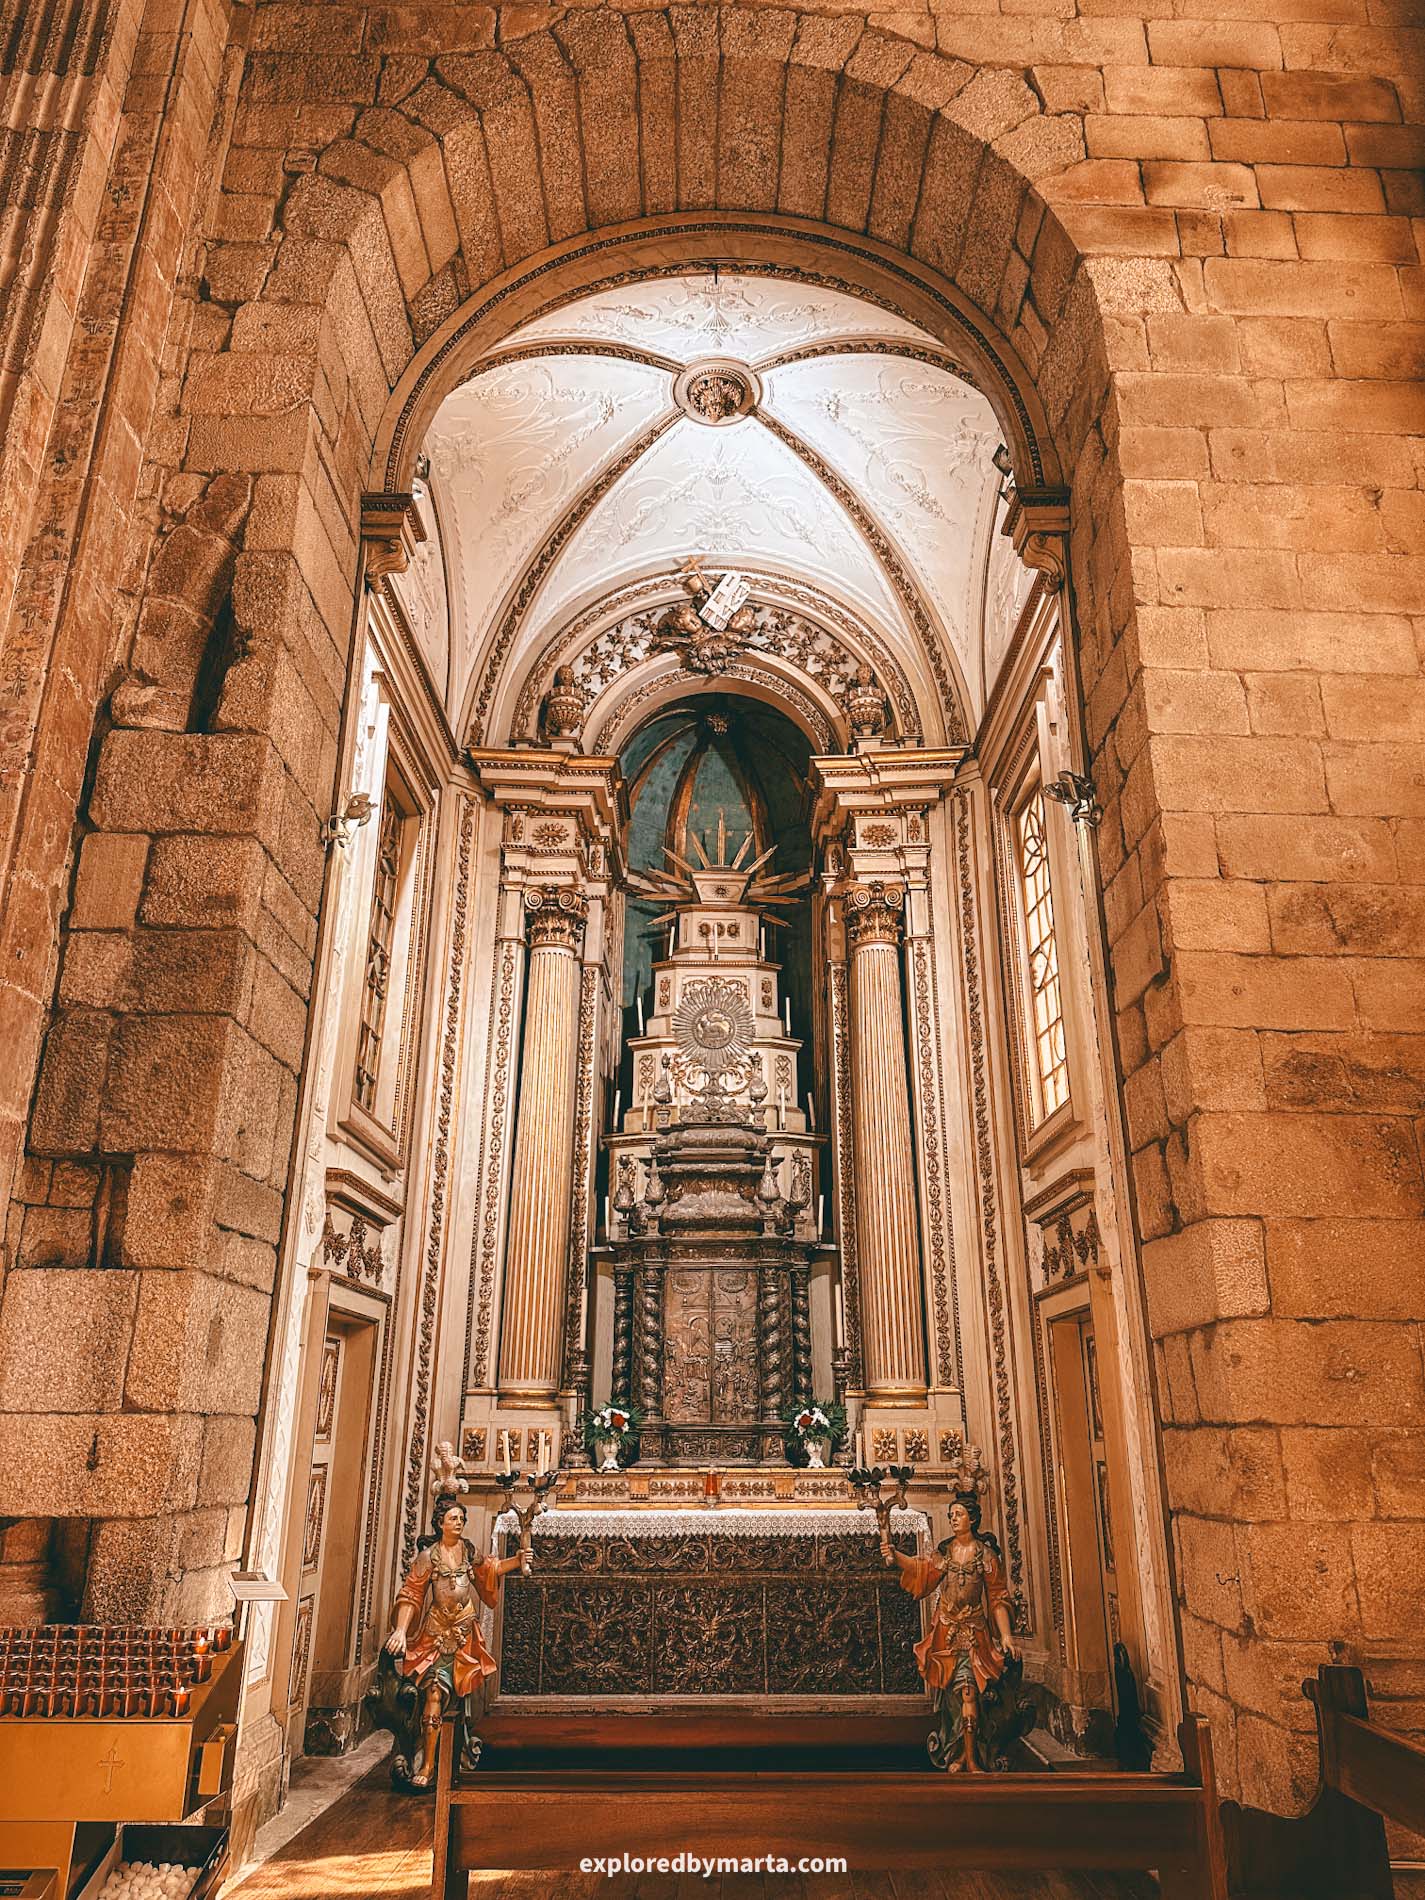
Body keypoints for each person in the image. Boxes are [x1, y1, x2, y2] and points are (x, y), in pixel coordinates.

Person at [378, 1493, 529, 1789]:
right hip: (436, 1636)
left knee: (457, 1699)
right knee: (434, 1694)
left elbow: (491, 1569)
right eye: (453, 1519)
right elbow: (412, 1594)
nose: (459, 1522)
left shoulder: (468, 1552)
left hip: (463, 1637)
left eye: (461, 1518)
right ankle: (429, 1764)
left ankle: (451, 1751)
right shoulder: (428, 1557)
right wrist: (399, 1630)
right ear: (440, 1523)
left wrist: (517, 1560)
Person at [882, 1492, 1031, 1772]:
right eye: (951, 1515)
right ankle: (958, 1752)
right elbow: (922, 1571)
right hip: (947, 1633)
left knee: (968, 1693)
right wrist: (895, 1555)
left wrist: (1007, 1636)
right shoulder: (946, 1552)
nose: (953, 1519)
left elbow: (998, 1597)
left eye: (958, 1514)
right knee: (954, 1698)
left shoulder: (986, 1556)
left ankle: (973, 1758)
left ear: (972, 1519)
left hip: (974, 1634)